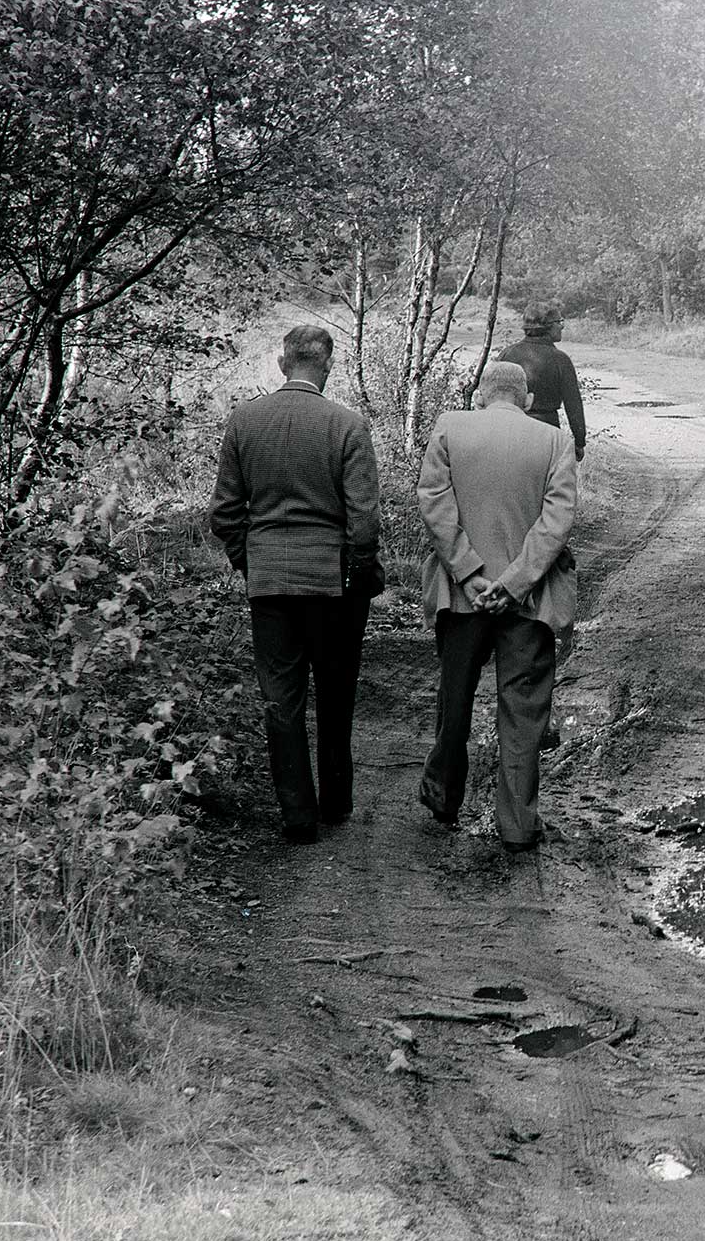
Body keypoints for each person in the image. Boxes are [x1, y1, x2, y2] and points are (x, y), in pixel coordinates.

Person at [209, 324, 383, 845]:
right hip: (331, 584)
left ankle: (297, 815)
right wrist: (356, 568)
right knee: (335, 693)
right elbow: (365, 522)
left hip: (270, 584)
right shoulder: (347, 426)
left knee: (280, 701)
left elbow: (224, 513)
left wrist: (249, 561)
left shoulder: (244, 421)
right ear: (326, 367)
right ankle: (335, 800)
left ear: (283, 364)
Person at [416, 360, 578, 851]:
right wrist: (512, 584)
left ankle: (444, 798)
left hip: (460, 596)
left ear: (480, 395)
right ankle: (517, 825)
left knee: (455, 699)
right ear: (527, 400)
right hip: (529, 602)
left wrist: (470, 573)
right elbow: (556, 522)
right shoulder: (553, 441)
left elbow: (434, 504)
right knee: (524, 713)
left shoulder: (450, 427)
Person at [496, 302, 586, 461]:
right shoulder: (560, 360)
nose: (562, 327)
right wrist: (579, 441)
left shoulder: (507, 354)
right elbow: (573, 404)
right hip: (546, 433)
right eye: (559, 322)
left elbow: (492, 396)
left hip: (508, 433)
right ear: (548, 327)